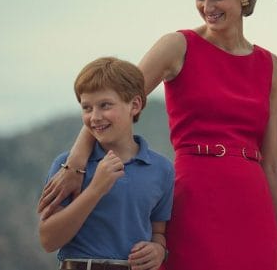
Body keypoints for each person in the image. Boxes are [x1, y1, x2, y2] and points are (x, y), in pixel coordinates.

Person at [37, 0, 277, 270]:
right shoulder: (178, 46)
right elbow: (113, 103)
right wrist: (76, 164)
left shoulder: (270, 64)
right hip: (194, 197)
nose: (206, 6)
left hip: (252, 205)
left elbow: (273, 160)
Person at [38, 56, 175, 270]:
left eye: (105, 105)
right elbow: (49, 240)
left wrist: (158, 250)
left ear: (135, 105)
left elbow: (158, 231)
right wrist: (95, 189)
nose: (95, 117)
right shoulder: (68, 167)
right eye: (87, 108)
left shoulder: (161, 169)